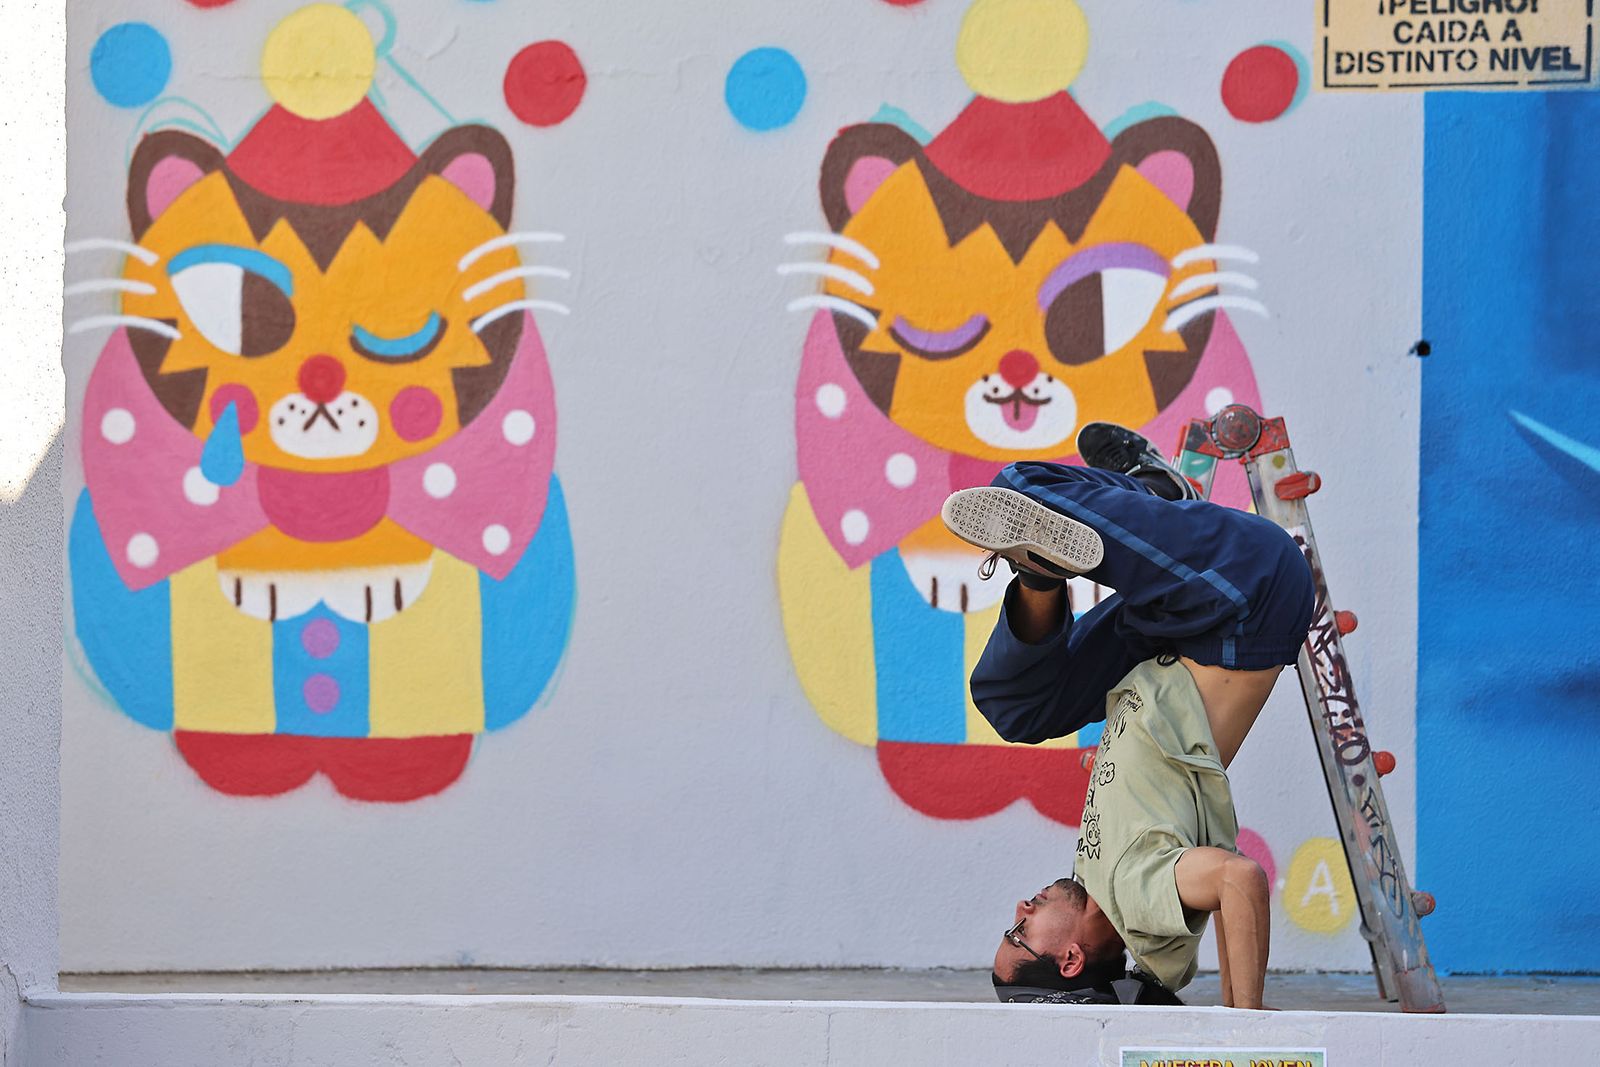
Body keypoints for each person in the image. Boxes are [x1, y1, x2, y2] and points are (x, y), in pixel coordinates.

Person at [940, 423, 1315, 1009]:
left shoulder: (1098, 880)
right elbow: (1238, 881)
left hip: (1169, 636)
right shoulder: (1138, 897)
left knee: (1014, 708)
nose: (1020, 910)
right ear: (1069, 959)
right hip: (1246, 601)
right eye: (1019, 936)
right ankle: (1150, 493)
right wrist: (1247, 1029)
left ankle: (1046, 566)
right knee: (1022, 486)